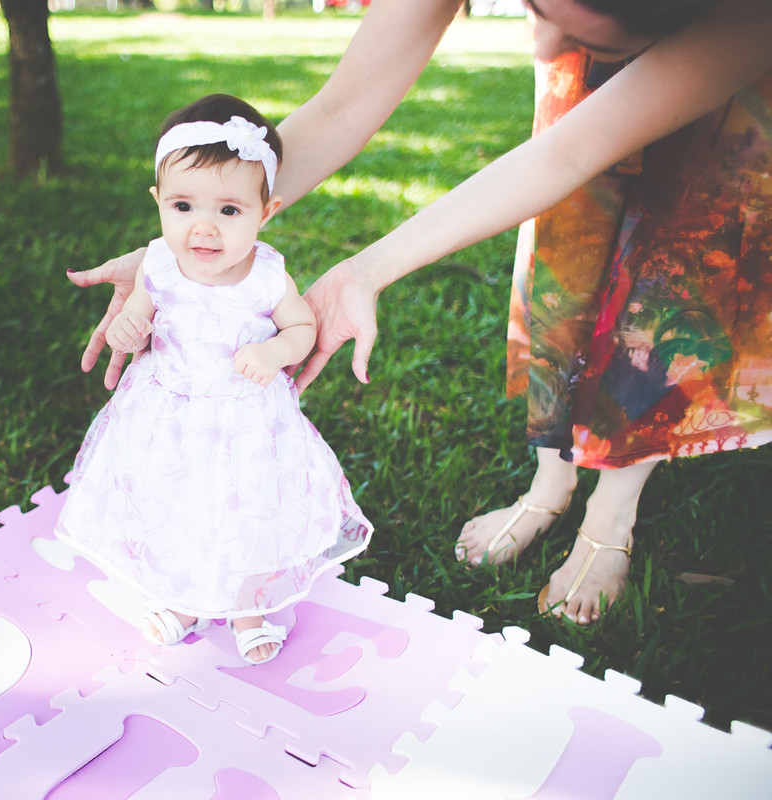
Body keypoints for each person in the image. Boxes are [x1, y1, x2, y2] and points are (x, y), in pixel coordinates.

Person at [69, 0, 772, 625]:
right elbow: (344, 107)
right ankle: (551, 481)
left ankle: (612, 509)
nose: (543, 21)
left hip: (726, 105)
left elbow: (574, 150)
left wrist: (371, 268)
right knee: (571, 259)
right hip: (581, 97)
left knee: (671, 286)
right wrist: (186, 248)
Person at [55, 94, 373, 665]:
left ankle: (249, 606)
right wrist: (130, 326)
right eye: (183, 206)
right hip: (168, 417)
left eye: (229, 211)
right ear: (158, 202)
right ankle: (184, 599)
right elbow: (143, 312)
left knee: (248, 512)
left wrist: (276, 349)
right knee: (176, 504)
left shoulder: (267, 278)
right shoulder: (157, 263)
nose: (203, 228)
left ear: (265, 211)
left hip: (245, 422)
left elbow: (303, 325)